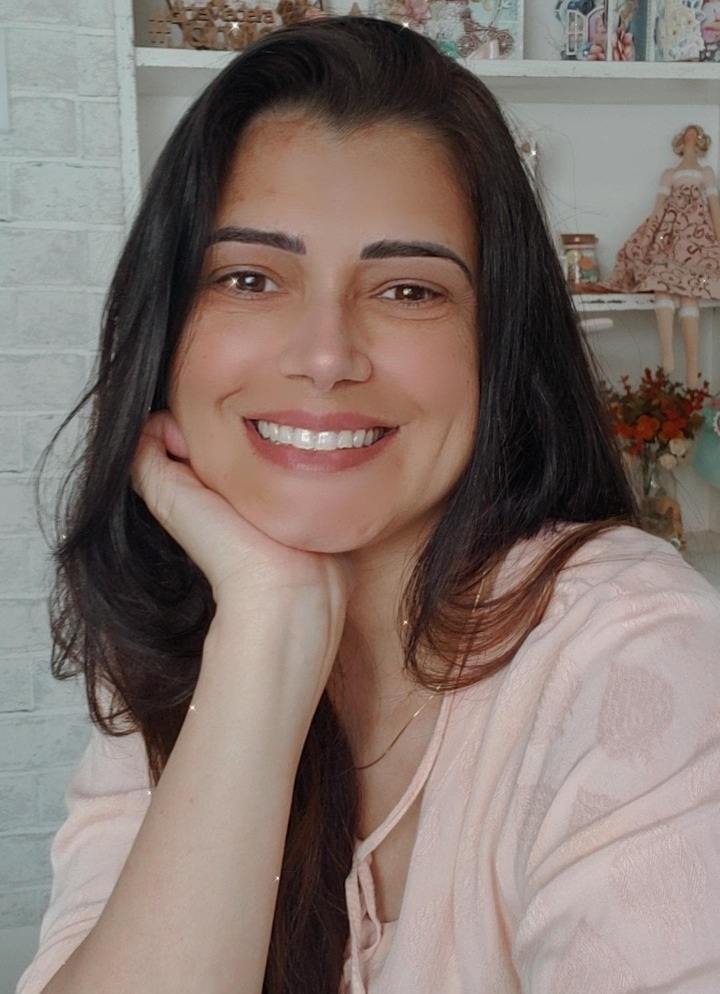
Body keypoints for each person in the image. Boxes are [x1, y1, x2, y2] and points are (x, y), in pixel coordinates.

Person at [18, 16, 720, 994]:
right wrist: (265, 633)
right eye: (250, 277)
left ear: (498, 343)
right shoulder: (184, 636)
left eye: (408, 291)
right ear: (165, 331)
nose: (325, 356)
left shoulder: (633, 655)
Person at [602, 123, 720, 387]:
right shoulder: (669, 174)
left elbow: (714, 208)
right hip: (671, 233)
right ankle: (668, 356)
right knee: (662, 284)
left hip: (696, 235)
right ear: (681, 141)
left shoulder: (706, 173)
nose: (692, 137)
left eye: (696, 135)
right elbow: (657, 210)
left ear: (701, 141)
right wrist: (646, 239)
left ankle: (692, 371)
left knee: (691, 291)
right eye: (688, 134)